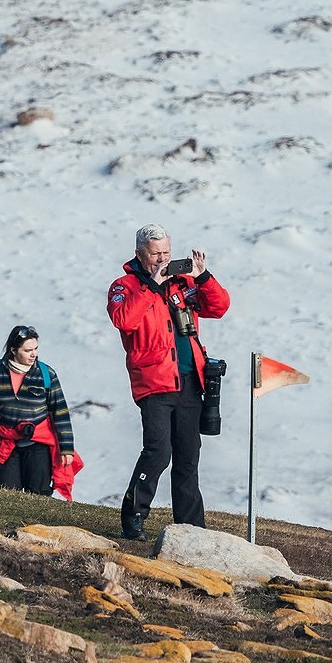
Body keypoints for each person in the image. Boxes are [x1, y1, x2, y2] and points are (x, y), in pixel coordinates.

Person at [107, 224, 230, 540]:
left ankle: (191, 528)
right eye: (155, 254)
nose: (162, 259)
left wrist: (203, 276)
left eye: (166, 252)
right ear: (139, 254)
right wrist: (151, 285)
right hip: (154, 383)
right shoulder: (125, 286)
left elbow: (219, 307)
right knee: (158, 452)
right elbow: (124, 320)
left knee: (188, 455)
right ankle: (134, 517)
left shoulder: (183, 284)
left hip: (190, 382)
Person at [0, 326, 82, 499]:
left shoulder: (46, 374)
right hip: (6, 444)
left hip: (38, 444)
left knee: (39, 492)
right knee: (5, 494)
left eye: (35, 349)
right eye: (27, 350)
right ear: (13, 350)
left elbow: (60, 412)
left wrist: (67, 448)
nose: (33, 354)